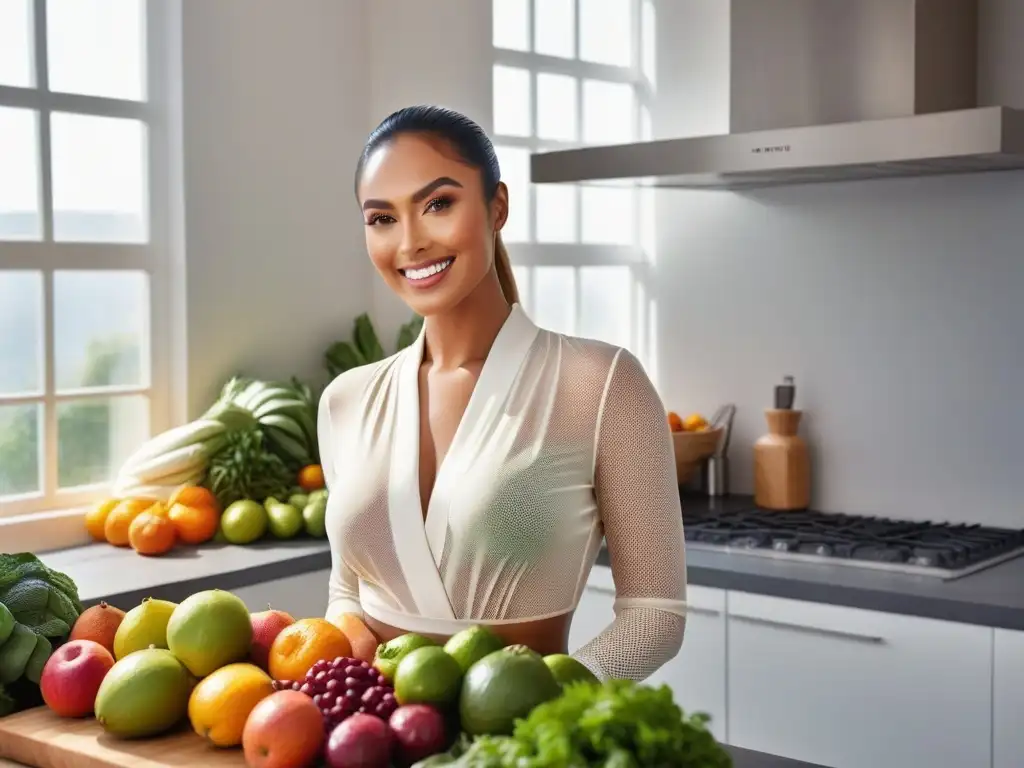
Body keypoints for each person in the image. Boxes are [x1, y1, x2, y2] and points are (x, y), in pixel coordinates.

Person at [319, 105, 687, 681]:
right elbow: (347, 587)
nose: (411, 242)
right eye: (382, 218)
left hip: (518, 747)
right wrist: (345, 637)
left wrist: (544, 709)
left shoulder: (601, 383)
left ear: (497, 207)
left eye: (437, 204)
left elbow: (655, 617)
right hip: (372, 739)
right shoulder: (346, 400)